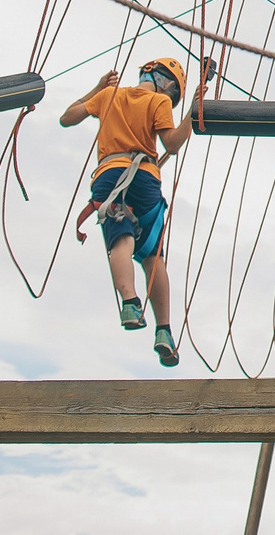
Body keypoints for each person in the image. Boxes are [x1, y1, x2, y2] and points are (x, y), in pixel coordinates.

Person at [59, 56, 195, 366]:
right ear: (170, 86)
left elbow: (67, 118)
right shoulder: (158, 101)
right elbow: (172, 144)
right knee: (152, 256)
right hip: (145, 177)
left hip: (109, 176)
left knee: (121, 239)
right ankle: (164, 331)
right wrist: (192, 113)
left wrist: (97, 88)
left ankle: (130, 303)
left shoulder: (109, 96)